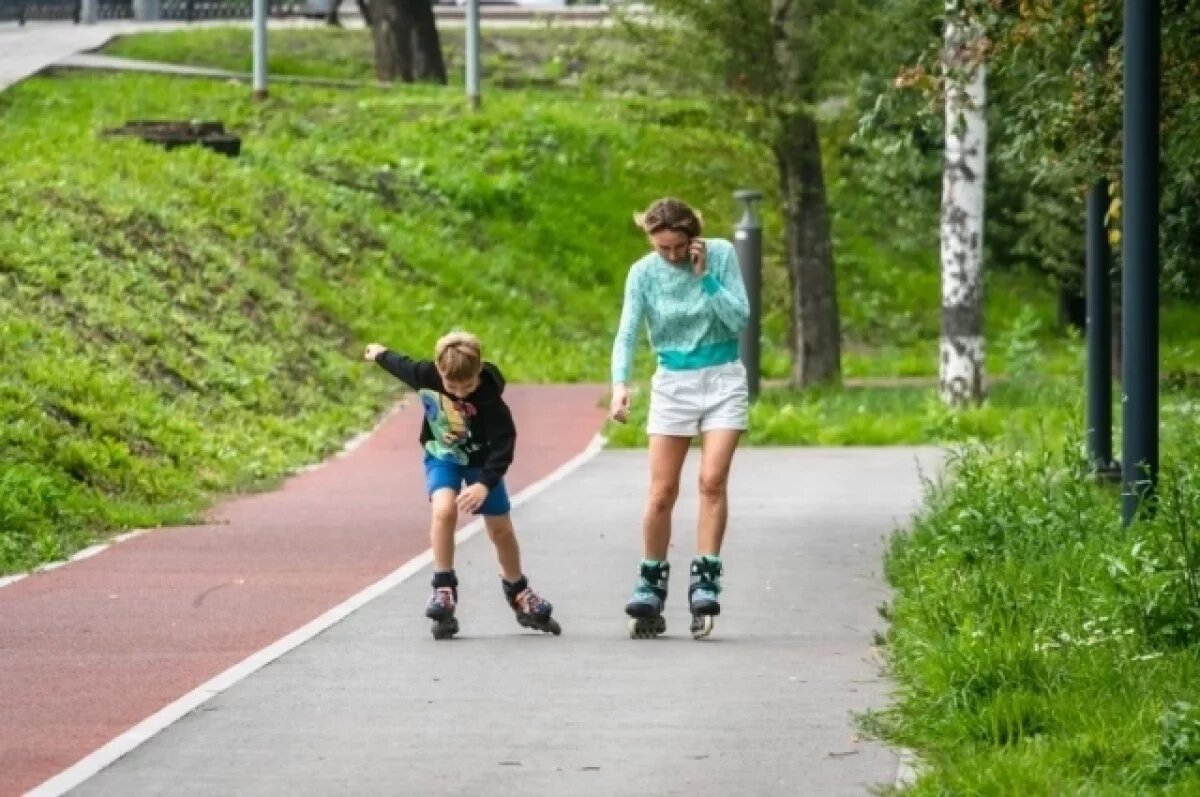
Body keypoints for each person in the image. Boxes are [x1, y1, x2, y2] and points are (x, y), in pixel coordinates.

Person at [609, 197, 750, 639]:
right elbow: (628, 331)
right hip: (673, 382)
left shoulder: (721, 255)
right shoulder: (642, 273)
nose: (670, 256)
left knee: (711, 481)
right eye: (661, 247)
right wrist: (620, 384)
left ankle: (706, 576)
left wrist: (704, 278)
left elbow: (739, 318)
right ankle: (651, 580)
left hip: (723, 379)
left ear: (693, 237)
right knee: (661, 492)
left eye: (677, 246)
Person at [364, 331, 561, 640]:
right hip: (442, 457)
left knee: (501, 531)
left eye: (467, 386)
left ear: (479, 370)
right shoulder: (427, 374)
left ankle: (518, 589)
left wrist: (484, 484)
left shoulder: (489, 399)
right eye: (451, 386)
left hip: (483, 465)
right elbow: (401, 365)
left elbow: (504, 444)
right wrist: (379, 354)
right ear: (439, 371)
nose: (460, 393)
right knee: (443, 512)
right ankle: (443, 585)